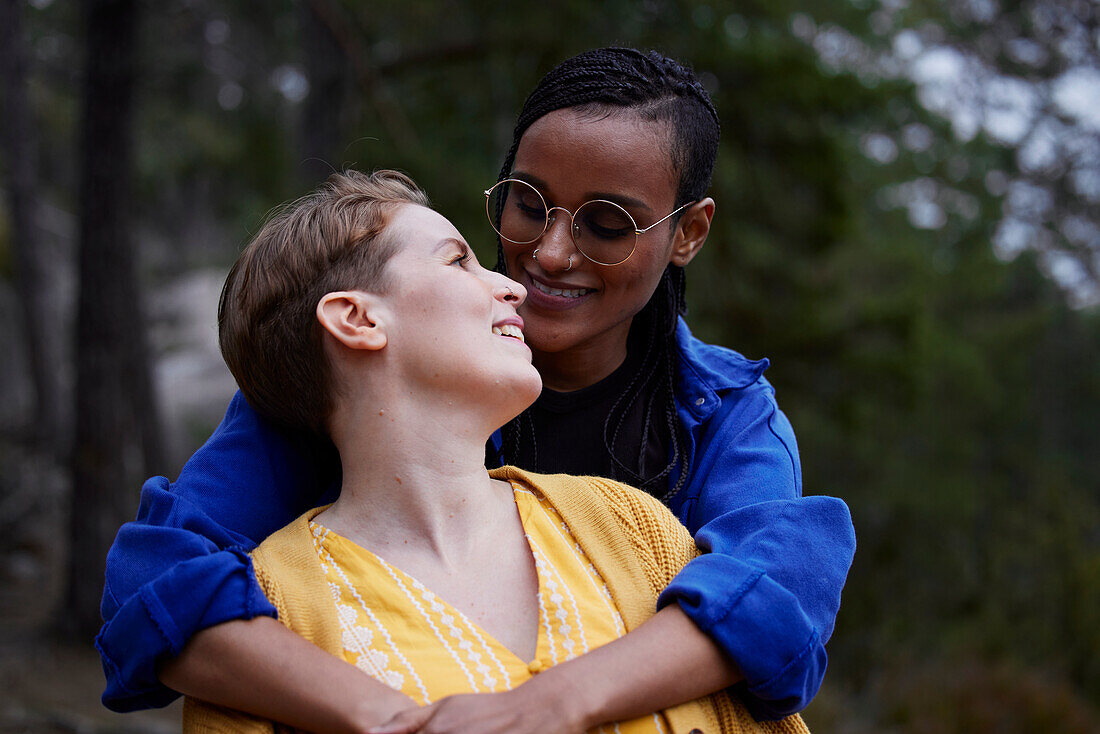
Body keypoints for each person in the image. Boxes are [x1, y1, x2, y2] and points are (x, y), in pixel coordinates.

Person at [98, 48, 855, 731]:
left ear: (687, 233)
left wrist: (550, 702)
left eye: (607, 223)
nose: (550, 255)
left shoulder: (713, 424)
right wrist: (393, 716)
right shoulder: (367, 368)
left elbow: (780, 596)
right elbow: (156, 583)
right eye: (529, 204)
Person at [181, 167, 808, 734]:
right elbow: (150, 583)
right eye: (459, 262)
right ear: (357, 319)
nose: (512, 287)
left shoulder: (632, 527)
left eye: (610, 222)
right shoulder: (265, 622)